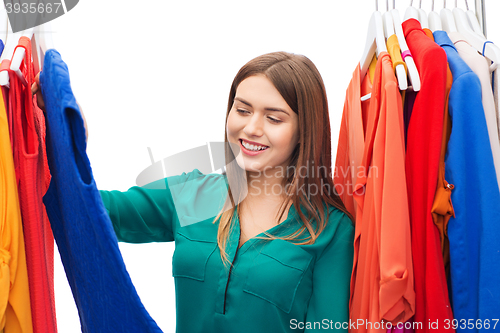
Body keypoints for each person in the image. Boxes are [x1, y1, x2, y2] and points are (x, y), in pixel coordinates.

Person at [32, 51, 354, 332]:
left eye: (273, 118)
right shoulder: (194, 195)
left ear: (304, 131)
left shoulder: (329, 230)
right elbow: (92, 211)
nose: (252, 128)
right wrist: (65, 135)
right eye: (242, 110)